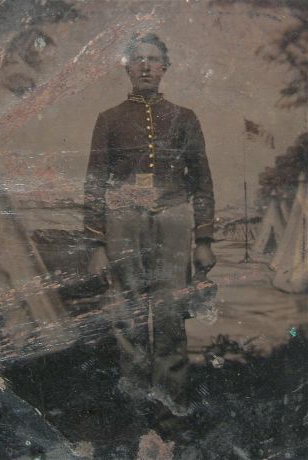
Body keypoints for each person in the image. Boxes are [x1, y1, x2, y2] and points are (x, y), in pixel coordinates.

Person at [84, 32, 215, 432]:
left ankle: (169, 423)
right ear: (126, 66)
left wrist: (205, 240)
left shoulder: (186, 117)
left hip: (174, 222)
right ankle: (135, 423)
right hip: (123, 224)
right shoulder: (107, 119)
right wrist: (97, 244)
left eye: (153, 59)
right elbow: (94, 184)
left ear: (165, 67)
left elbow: (203, 181)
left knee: (172, 317)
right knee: (128, 323)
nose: (144, 66)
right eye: (137, 58)